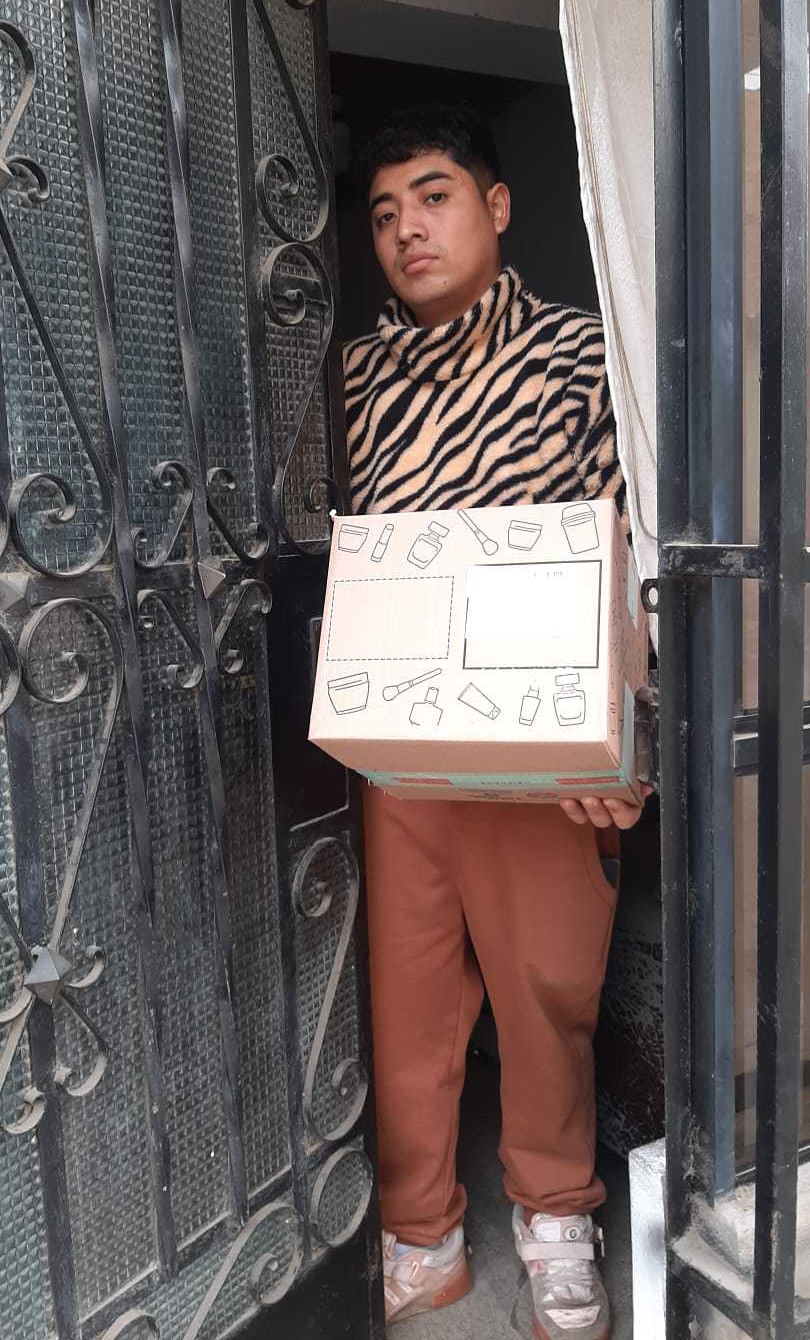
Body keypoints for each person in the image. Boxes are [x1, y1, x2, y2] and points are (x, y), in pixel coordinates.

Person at [342, 103, 648, 1340]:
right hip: (401, 748)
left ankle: (556, 1214)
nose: (407, 230)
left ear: (497, 206)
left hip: (544, 748)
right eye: (384, 214)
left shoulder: (582, 356)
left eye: (434, 196)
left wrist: (624, 740)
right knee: (407, 1000)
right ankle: (420, 1232)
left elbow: (633, 554)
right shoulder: (353, 379)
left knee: (547, 992)